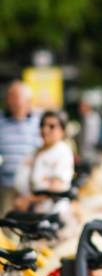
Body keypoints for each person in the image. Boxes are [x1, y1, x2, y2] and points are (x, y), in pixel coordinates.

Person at [14, 110, 77, 239]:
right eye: (42, 125)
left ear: (62, 130)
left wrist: (28, 200)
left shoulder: (62, 152)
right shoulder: (36, 151)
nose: (45, 129)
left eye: (52, 126)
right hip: (34, 214)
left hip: (54, 217)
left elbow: (56, 188)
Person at [0, 80, 41, 216]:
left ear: (29, 101)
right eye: (11, 97)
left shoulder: (39, 122)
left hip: (31, 186)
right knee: (6, 223)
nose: (14, 101)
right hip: (5, 184)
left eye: (18, 97)